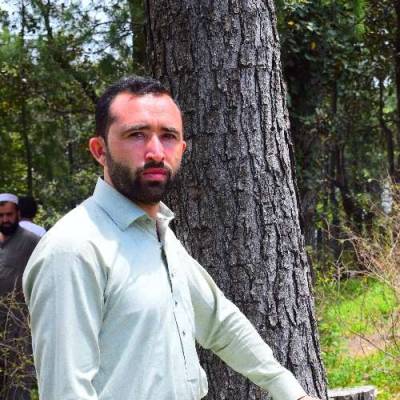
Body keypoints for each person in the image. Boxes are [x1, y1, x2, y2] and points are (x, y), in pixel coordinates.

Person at [23, 76, 321, 400]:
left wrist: (290, 391)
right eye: (136, 135)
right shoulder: (73, 249)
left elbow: (219, 321)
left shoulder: (158, 234)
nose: (155, 152)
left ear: (181, 149)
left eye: (168, 136)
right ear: (99, 150)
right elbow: (67, 391)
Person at [0, 193, 40, 400]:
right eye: (1, 216)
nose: (5, 220)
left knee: (17, 380)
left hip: (19, 323)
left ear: (18, 213)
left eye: (9, 215)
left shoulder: (31, 241)